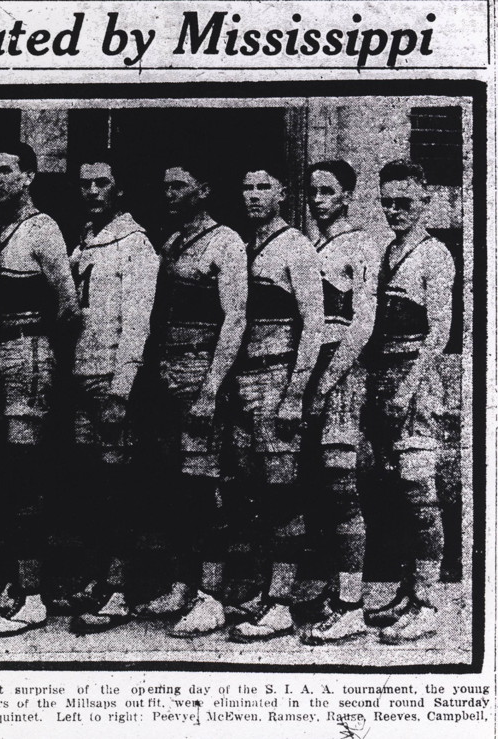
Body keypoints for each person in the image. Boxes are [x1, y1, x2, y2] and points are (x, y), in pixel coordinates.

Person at [136, 159, 247, 637]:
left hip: (202, 372)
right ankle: (184, 584)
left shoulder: (226, 242)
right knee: (177, 488)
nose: (170, 194)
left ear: (204, 188)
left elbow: (235, 319)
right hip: (166, 373)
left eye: (179, 185)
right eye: (165, 186)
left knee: (204, 488)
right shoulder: (170, 241)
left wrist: (210, 390)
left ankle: (213, 595)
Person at [0, 142, 80, 637]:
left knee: (25, 474)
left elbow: (69, 304)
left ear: (29, 177)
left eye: (6, 170)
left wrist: (40, 347)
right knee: (1, 470)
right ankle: (17, 584)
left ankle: (35, 596)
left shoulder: (43, 230)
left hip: (28, 353)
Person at [228, 165, 324, 643]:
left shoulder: (295, 246)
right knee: (253, 492)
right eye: (247, 186)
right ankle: (264, 590)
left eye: (263, 185)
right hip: (241, 380)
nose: (253, 194)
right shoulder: (240, 246)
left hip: (277, 375)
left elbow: (314, 323)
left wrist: (294, 392)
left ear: (283, 193)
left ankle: (284, 602)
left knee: (283, 493)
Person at [68, 156, 159, 634]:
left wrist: (122, 387)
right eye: (85, 183)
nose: (93, 191)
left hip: (111, 377)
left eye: (102, 183)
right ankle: (101, 579)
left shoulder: (135, 244)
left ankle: (121, 589)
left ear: (119, 190)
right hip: (81, 373)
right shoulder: (85, 238)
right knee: (93, 486)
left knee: (118, 485)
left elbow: (137, 321)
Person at [364, 159, 454, 644]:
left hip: (416, 380)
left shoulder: (435, 254)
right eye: (387, 202)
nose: (395, 210)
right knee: (397, 491)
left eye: (404, 202)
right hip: (385, 374)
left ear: (425, 202)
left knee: (420, 492)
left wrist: (406, 387)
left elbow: (439, 332)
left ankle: (429, 602)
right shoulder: (388, 251)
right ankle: (406, 590)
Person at [296, 160, 379, 645]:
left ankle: (351, 605)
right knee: (319, 488)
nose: (318, 199)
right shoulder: (309, 244)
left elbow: (362, 325)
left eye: (328, 191)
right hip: (306, 371)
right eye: (312, 191)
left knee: (343, 486)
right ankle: (331, 592)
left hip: (341, 374)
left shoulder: (360, 244)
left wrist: (328, 381)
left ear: (347, 196)